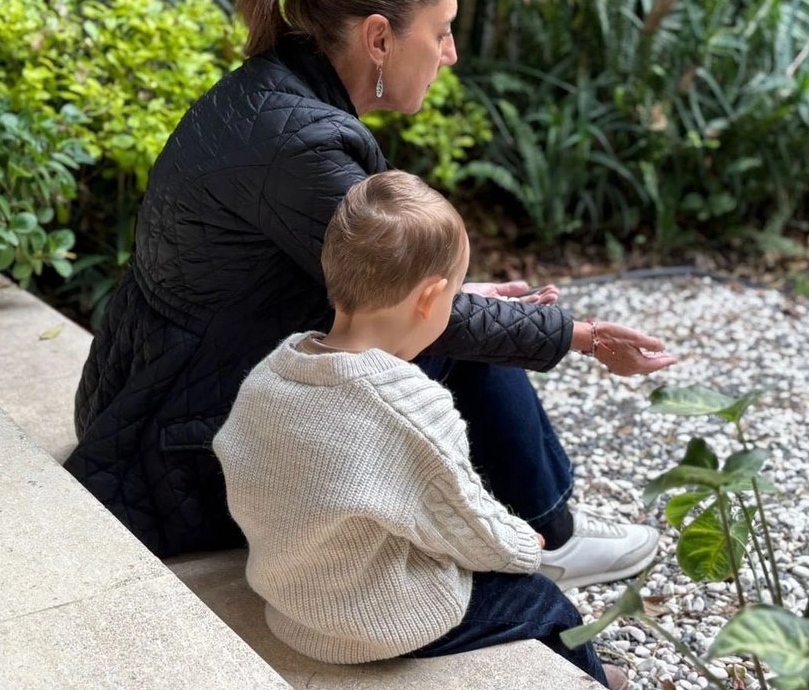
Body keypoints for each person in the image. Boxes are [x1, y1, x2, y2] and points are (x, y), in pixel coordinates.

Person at [66, 0, 678, 589]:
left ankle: (543, 518)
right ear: (379, 38)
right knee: (448, 332)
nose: (450, 53)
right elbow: (402, 307)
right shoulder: (302, 145)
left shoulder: (272, 94)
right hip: (177, 449)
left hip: (148, 391)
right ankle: (551, 534)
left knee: (442, 306)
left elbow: (315, 287)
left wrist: (452, 296)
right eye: (441, 32)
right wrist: (581, 336)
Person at [213, 170, 628, 689]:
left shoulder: (276, 368)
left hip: (289, 601)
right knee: (545, 604)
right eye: (456, 294)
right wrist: (524, 544)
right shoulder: (407, 407)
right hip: (371, 622)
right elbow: (464, 520)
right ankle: (596, 677)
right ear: (431, 298)